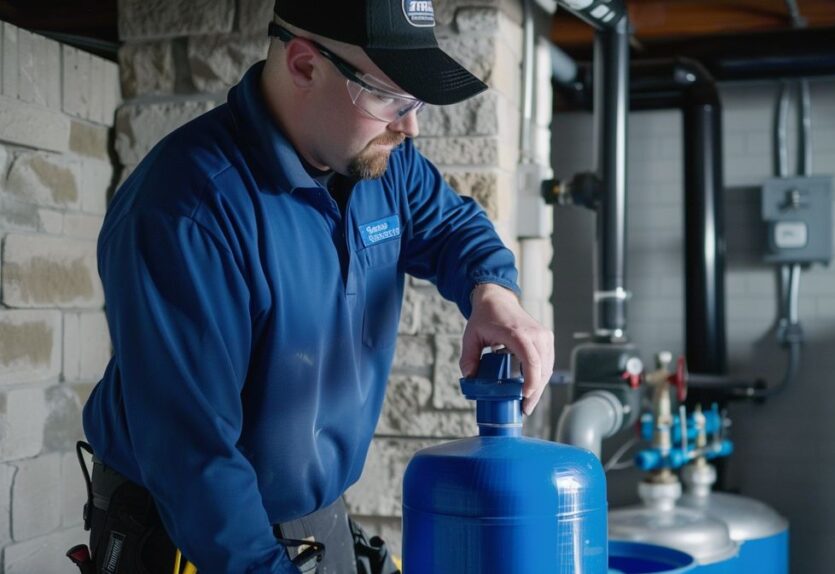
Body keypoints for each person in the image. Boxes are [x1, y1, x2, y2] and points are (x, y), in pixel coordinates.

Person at [77, 1, 554, 572]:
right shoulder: (187, 212)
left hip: (315, 519)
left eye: (415, 100)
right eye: (388, 98)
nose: (411, 126)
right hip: (191, 533)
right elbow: (195, 461)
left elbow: (453, 227)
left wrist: (492, 293)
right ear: (305, 65)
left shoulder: (381, 163)